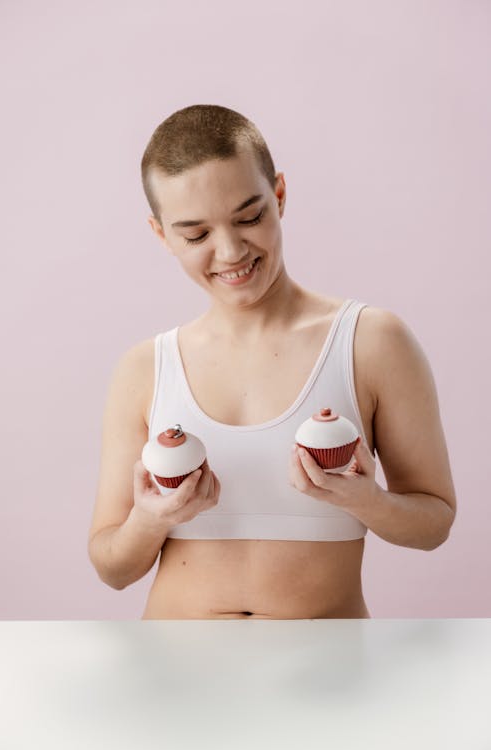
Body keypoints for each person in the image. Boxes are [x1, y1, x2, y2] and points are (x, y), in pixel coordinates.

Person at [87, 104, 457, 619]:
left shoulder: (371, 342)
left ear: (279, 195)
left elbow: (434, 523)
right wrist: (152, 520)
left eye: (250, 216)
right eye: (196, 235)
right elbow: (112, 566)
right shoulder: (145, 368)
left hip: (325, 673)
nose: (231, 250)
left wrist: (365, 500)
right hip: (175, 668)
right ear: (161, 234)